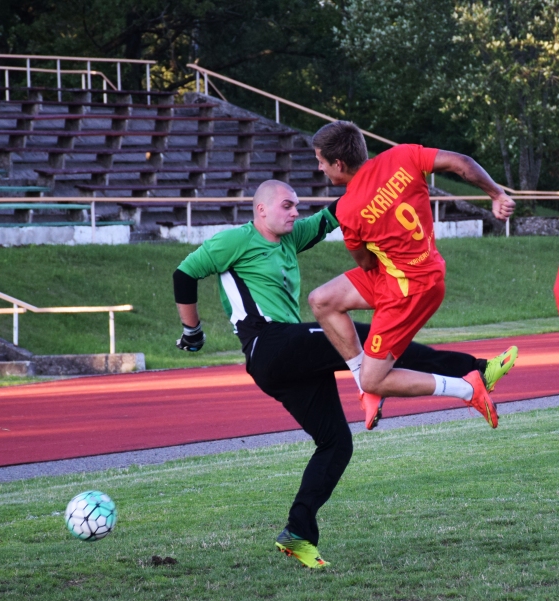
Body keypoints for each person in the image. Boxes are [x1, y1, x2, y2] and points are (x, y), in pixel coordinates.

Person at [173, 180, 518, 569]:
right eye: (287, 205)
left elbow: (336, 212)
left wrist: (382, 178)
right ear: (261, 210)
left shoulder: (291, 237)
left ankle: (298, 533)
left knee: (336, 443)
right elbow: (184, 274)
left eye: (296, 205)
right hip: (269, 345)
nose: (295, 212)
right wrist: (192, 330)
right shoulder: (235, 239)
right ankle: (477, 371)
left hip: (290, 358)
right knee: (370, 338)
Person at [308, 121, 517, 431]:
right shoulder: (402, 155)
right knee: (322, 300)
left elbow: (366, 263)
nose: (320, 168)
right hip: (406, 272)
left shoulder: (349, 210)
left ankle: (468, 388)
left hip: (410, 290)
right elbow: (462, 163)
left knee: (374, 378)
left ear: (338, 164)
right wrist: (497, 194)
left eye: (321, 161)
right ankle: (367, 391)